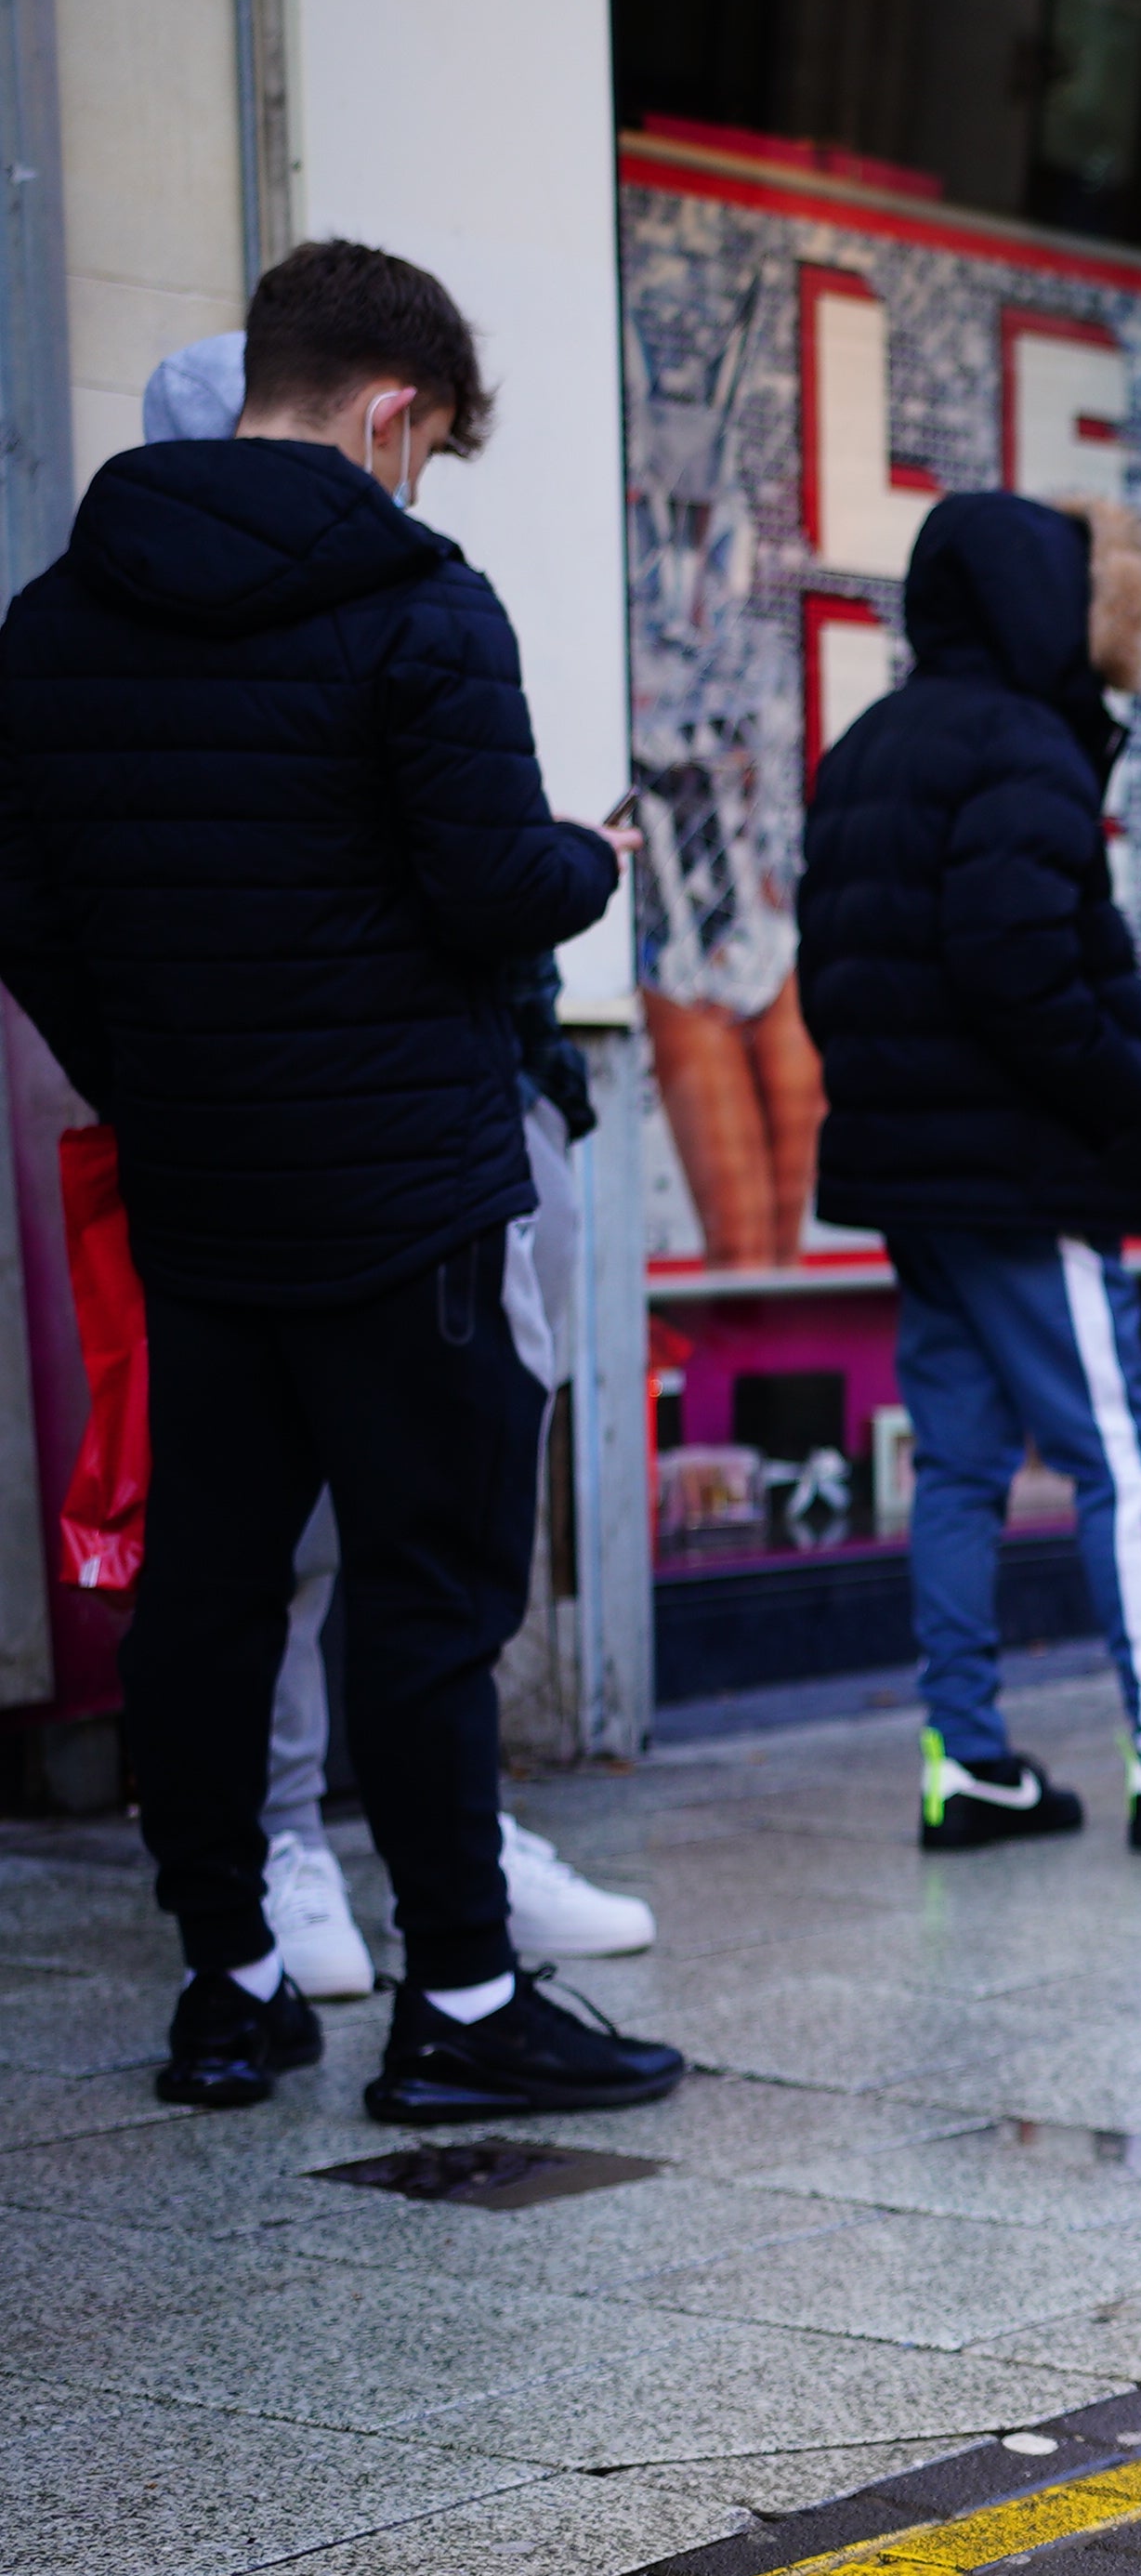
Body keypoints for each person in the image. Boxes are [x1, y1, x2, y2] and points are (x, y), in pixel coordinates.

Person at [0, 241, 682, 2116]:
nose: (426, 477)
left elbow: (31, 914)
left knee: (211, 1592)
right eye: (436, 442)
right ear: (390, 410)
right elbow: (485, 891)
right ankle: (461, 2001)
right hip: (408, 1199)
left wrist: (166, 1078)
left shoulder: (53, 625)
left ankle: (228, 1987)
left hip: (204, 1193)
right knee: (427, 1593)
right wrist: (588, 857)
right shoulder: (420, 605)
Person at [807, 489, 1141, 1858]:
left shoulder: (871, 744)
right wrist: (1136, 1118)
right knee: (1125, 1460)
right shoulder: (1023, 751)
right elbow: (1024, 973)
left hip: (914, 1171)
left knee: (962, 1466)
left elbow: (840, 970)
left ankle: (967, 1760)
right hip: (1022, 1172)